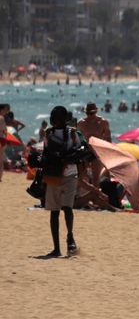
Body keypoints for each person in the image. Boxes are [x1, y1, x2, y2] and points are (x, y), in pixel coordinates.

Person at [41, 106, 81, 257]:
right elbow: (46, 152)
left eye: (56, 117)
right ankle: (56, 248)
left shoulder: (72, 133)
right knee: (54, 211)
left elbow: (78, 151)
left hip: (69, 175)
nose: (55, 120)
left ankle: (70, 237)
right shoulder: (49, 133)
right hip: (54, 175)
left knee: (67, 208)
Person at [76, 102, 111, 186]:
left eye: (92, 113)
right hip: (85, 151)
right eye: (88, 113)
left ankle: (95, 196)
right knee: (82, 177)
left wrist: (108, 153)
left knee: (96, 177)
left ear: (95, 112)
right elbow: (77, 139)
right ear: (86, 113)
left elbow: (108, 138)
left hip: (97, 152)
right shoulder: (81, 123)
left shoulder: (103, 122)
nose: (90, 115)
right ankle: (86, 196)